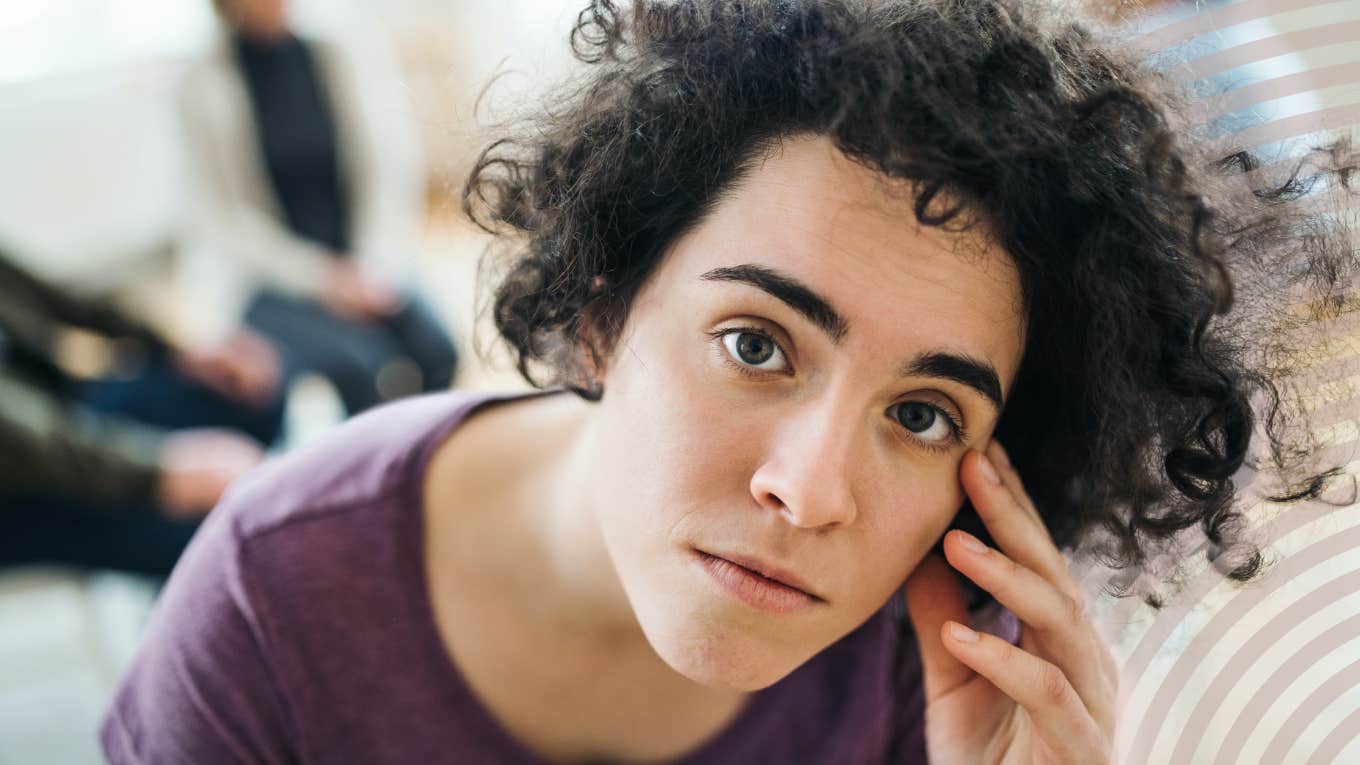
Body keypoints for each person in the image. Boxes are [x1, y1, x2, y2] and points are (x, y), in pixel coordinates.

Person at [101, 1, 1355, 762]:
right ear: (603, 307)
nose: (809, 494)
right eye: (757, 344)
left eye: (922, 417)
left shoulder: (935, 688)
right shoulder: (277, 596)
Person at [176, 0, 459, 415]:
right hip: (275, 280)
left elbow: (387, 167)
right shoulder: (200, 83)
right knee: (363, 369)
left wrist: (369, 267)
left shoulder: (340, 51)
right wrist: (325, 281)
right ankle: (372, 474)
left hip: (365, 263)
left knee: (438, 351)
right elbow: (226, 222)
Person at [0, 250, 279, 577]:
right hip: (18, 484)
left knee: (250, 399)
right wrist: (162, 472)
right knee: (221, 537)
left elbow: (59, 297)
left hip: (59, 406)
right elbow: (26, 444)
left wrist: (179, 347)